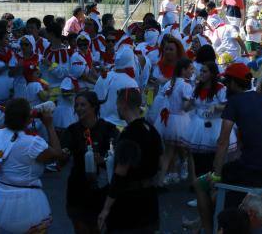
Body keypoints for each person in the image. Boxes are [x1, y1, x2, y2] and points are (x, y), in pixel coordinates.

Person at [194, 63, 262, 234]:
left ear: (233, 83)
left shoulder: (234, 101)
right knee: (224, 189)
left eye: (226, 82)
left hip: (250, 172)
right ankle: (203, 224)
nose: (225, 86)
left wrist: (216, 176)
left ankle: (209, 230)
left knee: (200, 183)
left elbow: (223, 141)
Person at [0, 98, 63, 233]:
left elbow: (7, 135)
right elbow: (57, 153)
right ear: (29, 119)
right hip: (22, 205)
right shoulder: (32, 143)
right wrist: (49, 125)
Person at [98, 88, 163, 233]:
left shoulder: (129, 134)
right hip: (150, 202)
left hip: (130, 206)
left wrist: (106, 208)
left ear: (123, 105)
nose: (116, 108)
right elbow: (160, 163)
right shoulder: (151, 129)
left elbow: (121, 173)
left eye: (117, 104)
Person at [60, 91, 120, 233]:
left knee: (97, 229)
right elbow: (61, 159)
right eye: (76, 105)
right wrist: (61, 154)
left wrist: (104, 160)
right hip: (78, 189)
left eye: (83, 105)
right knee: (81, 229)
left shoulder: (109, 129)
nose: (79, 108)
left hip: (101, 191)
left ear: (94, 107)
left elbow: (118, 159)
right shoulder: (72, 130)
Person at [185, 60, 234, 180]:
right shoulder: (197, 87)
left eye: (204, 71)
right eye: (200, 71)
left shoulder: (220, 88)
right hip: (198, 125)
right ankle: (198, 183)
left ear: (212, 74)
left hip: (214, 126)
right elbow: (189, 105)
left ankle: (209, 184)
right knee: (197, 157)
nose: (201, 73)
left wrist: (216, 107)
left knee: (211, 158)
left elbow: (228, 106)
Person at [154, 57, 194, 185]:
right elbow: (185, 107)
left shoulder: (169, 83)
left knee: (169, 151)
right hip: (181, 119)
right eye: (191, 69)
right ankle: (189, 177)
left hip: (168, 120)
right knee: (188, 150)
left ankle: (161, 180)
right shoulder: (186, 85)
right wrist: (194, 101)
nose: (193, 71)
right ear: (183, 70)